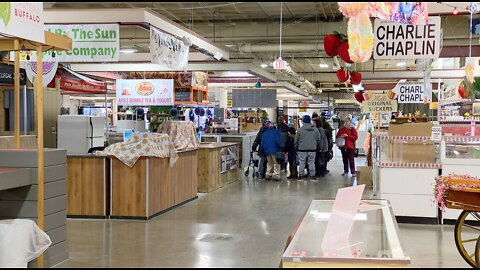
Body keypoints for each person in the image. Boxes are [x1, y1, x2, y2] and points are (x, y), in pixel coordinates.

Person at [295, 115, 321, 181]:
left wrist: (296, 147)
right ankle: (312, 176)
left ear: (303, 121)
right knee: (311, 162)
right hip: (312, 149)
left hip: (302, 149)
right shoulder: (315, 129)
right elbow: (318, 139)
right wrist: (315, 145)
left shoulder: (300, 130)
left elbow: (296, 140)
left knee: (302, 162)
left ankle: (301, 176)